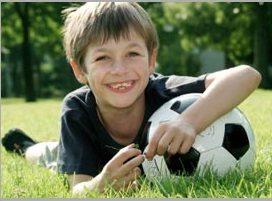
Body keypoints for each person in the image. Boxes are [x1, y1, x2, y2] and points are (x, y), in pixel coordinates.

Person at [2, 2, 261, 195]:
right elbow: (78, 189)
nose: (120, 70)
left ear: (151, 60)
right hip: (90, 159)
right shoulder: (76, 109)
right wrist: (100, 184)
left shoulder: (164, 92)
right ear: (80, 70)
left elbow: (247, 75)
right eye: (103, 58)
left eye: (133, 54)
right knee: (48, 154)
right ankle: (24, 145)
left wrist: (189, 122)